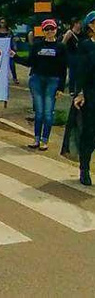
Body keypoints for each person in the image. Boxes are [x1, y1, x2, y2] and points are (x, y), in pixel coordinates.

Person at [13, 19, 67, 150]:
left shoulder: (61, 47)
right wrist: (15, 56)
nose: (50, 31)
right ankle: (36, 139)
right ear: (43, 31)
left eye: (52, 29)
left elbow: (63, 69)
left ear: (56, 30)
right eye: (47, 29)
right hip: (37, 79)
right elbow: (30, 62)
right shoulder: (37, 46)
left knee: (48, 112)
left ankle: (45, 140)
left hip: (53, 81)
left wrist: (61, 88)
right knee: (39, 112)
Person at [73, 11, 95, 185]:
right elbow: (79, 71)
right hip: (91, 93)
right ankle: (84, 168)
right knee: (89, 133)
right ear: (90, 26)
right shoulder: (85, 45)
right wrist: (79, 92)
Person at [0, 18, 19, 84]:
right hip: (0, 50)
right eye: (1, 22)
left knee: (12, 64)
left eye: (4, 22)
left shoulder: (9, 30)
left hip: (9, 49)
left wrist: (14, 47)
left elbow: (12, 39)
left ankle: (15, 78)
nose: (3, 24)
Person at [63, 18, 82, 93]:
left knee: (80, 72)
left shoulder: (82, 33)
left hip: (80, 55)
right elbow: (63, 43)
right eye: (79, 23)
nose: (80, 25)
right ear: (75, 24)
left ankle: (78, 89)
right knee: (73, 72)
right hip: (72, 55)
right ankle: (71, 89)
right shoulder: (69, 33)